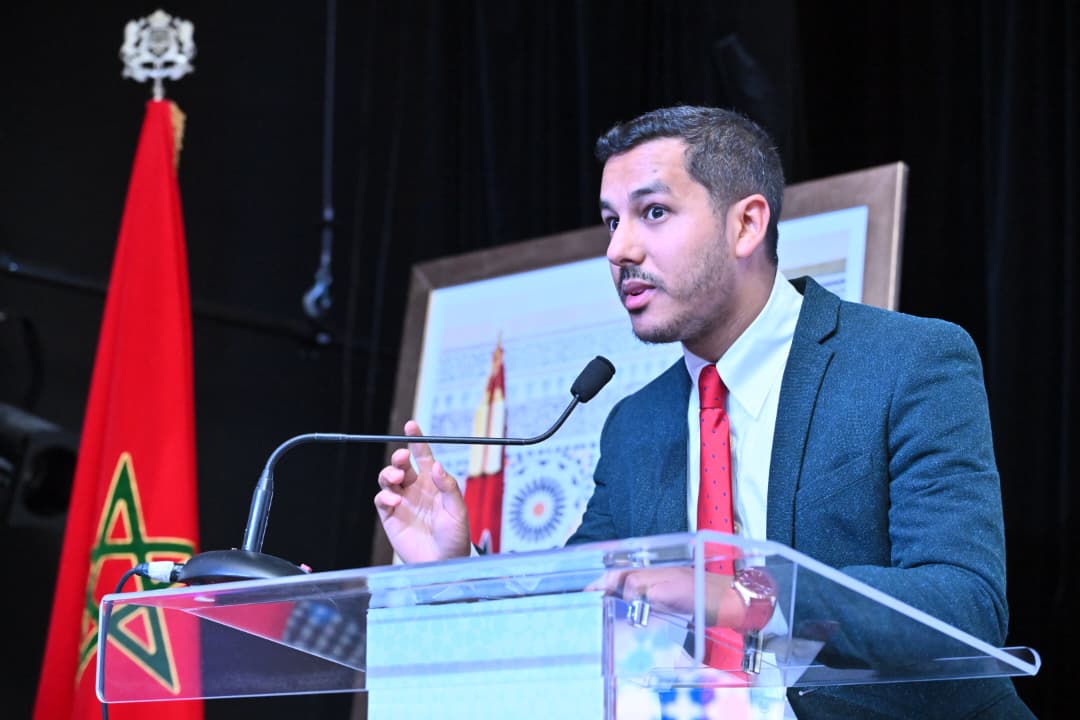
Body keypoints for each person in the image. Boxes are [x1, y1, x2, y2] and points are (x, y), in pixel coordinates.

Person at [375, 105, 1034, 718]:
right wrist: (453, 574)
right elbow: (578, 606)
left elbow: (965, 605)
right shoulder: (636, 425)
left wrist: (743, 594)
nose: (618, 250)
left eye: (653, 212)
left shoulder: (908, 361)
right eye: (611, 221)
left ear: (746, 224)